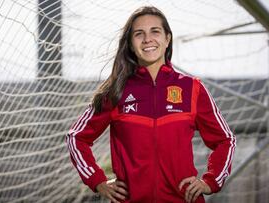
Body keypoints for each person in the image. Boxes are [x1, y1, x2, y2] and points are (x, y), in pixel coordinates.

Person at [66, 6, 236, 203]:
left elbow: (225, 140)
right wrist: (97, 181)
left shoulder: (193, 88)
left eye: (155, 31)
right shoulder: (115, 91)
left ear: (167, 39)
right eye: (139, 34)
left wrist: (211, 180)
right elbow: (76, 137)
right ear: (130, 44)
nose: (148, 39)